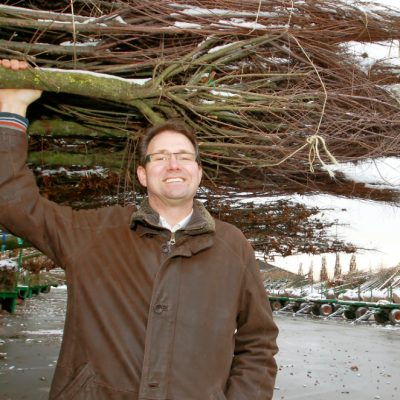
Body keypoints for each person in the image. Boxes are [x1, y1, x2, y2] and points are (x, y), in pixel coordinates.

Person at [0, 59, 279, 400]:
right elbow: (13, 204)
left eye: (183, 156)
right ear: (143, 175)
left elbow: (259, 341)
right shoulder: (94, 232)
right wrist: (13, 106)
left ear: (198, 171)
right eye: (159, 157)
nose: (173, 164)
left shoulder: (232, 246)